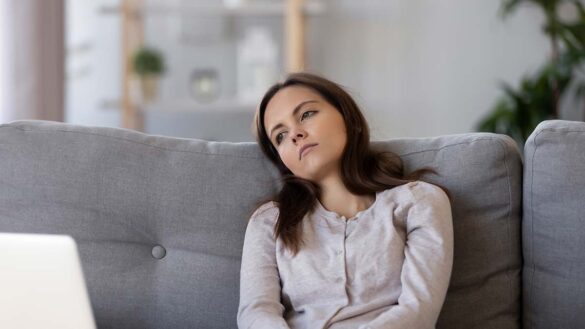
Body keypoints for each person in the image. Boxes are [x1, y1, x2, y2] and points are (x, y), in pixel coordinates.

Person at [237, 72, 453, 329]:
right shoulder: (269, 221)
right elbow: (256, 313)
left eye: (306, 114)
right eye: (280, 136)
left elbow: (419, 311)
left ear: (349, 118)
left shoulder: (419, 201)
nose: (294, 134)